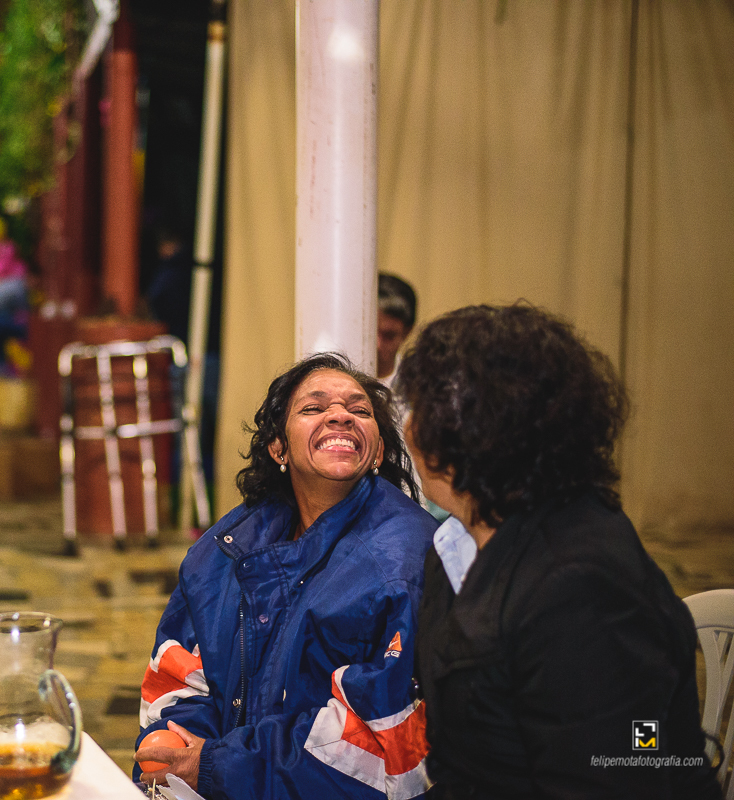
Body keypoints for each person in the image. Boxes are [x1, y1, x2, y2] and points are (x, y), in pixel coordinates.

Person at [395, 304, 720, 799]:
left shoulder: (580, 587)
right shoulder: (457, 543)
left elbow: (614, 776)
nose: (407, 426)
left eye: (415, 409)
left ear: (463, 434)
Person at [135, 353, 438, 799]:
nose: (340, 415)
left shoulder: (407, 559)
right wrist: (177, 745)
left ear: (378, 451)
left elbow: (386, 746)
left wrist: (219, 766)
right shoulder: (225, 547)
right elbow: (180, 670)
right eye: (314, 408)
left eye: (359, 411)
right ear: (278, 448)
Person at [377, 273, 416, 388]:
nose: (377, 345)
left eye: (389, 335)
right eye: (369, 335)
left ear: (407, 332)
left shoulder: (416, 390)